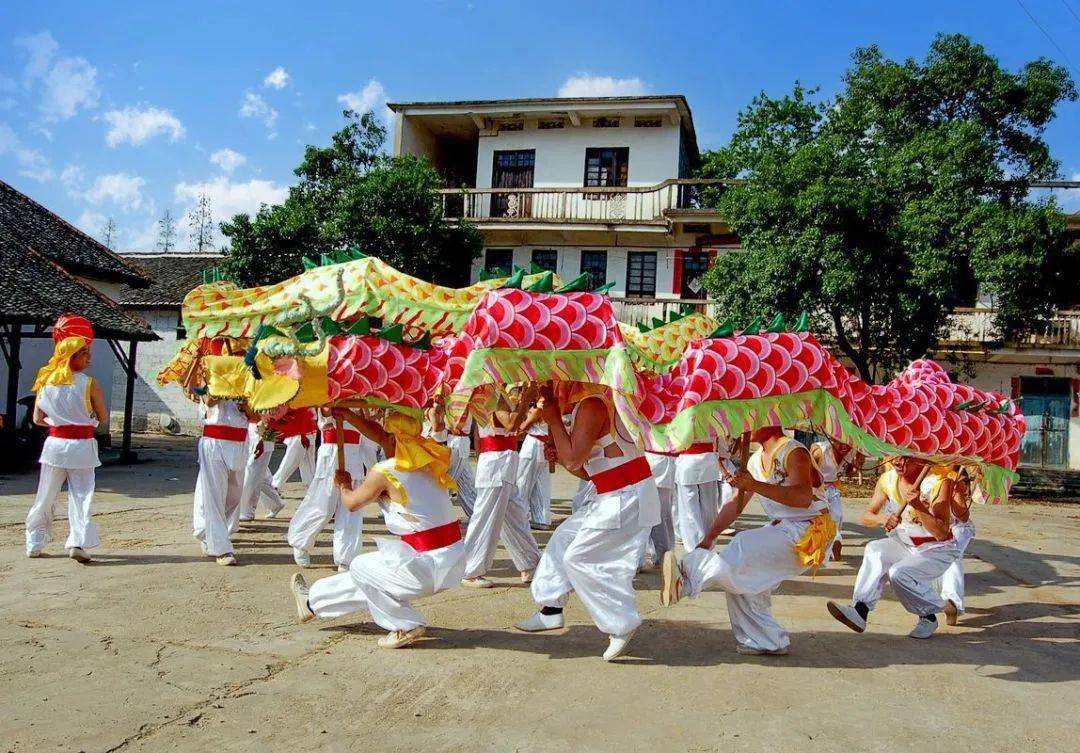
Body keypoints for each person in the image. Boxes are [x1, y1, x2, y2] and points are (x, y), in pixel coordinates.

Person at [288, 412, 465, 649]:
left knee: (361, 566)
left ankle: (405, 624)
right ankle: (312, 602)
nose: (379, 437)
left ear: (392, 439)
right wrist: (348, 414)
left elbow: (350, 504)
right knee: (371, 578)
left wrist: (343, 485)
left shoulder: (386, 471)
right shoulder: (430, 461)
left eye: (385, 434)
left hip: (427, 568)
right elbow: (382, 435)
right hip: (453, 562)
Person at [516, 384, 661, 662]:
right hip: (611, 492)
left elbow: (573, 460)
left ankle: (621, 623)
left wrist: (555, 420)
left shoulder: (593, 403)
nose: (545, 385)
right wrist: (558, 449)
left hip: (626, 496)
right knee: (562, 540)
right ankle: (550, 610)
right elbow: (586, 470)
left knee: (580, 559)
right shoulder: (588, 403)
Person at [663, 427, 835, 656]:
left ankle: (687, 579)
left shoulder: (794, 452)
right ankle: (765, 639)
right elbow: (736, 503)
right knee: (743, 584)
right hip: (784, 528)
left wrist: (753, 485)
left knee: (743, 546)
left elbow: (802, 498)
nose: (743, 425)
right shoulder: (754, 461)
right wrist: (709, 537)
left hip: (809, 532)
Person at [826, 458, 959, 639]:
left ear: (920, 457)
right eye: (895, 453)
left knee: (899, 573)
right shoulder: (887, 480)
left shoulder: (939, 482)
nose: (898, 460)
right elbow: (866, 516)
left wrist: (919, 506)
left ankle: (930, 614)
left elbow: (941, 533)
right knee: (875, 549)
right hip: (905, 543)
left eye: (905, 456)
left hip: (936, 549)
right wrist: (883, 519)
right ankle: (860, 610)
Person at [25, 315, 107, 562]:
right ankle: (77, 542)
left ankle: (34, 542)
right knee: (82, 495)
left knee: (46, 494)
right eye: (84, 353)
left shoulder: (46, 381)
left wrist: (57, 422)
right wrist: (84, 417)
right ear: (71, 357)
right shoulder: (90, 384)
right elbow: (102, 418)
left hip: (55, 446)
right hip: (81, 447)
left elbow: (37, 418)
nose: (88, 357)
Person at [460, 389, 541, 588]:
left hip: (503, 461)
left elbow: (515, 428)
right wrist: (527, 401)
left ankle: (531, 564)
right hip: (497, 462)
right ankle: (471, 570)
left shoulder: (498, 394)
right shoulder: (491, 396)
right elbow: (511, 423)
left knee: (515, 516)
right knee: (485, 518)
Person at [287, 407, 376, 570]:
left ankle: (346, 558)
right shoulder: (329, 392)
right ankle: (301, 541)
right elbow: (326, 411)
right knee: (323, 507)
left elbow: (367, 431)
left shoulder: (361, 397)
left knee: (351, 510)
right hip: (331, 455)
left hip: (354, 457)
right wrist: (339, 403)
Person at [192, 391, 254, 566]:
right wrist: (225, 387)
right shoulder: (211, 370)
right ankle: (221, 548)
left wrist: (246, 404)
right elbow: (209, 400)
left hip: (240, 441)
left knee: (234, 497)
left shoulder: (250, 373)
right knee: (214, 496)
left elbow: (255, 414)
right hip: (214, 440)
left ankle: (207, 533)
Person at [424, 399, 476, 519]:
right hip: (455, 443)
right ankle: (436, 515)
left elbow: (455, 426)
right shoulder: (452, 404)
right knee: (451, 482)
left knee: (462, 483)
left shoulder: (461, 404)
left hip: (458, 442)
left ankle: (476, 516)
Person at [810, 438, 860, 562]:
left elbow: (848, 472)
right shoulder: (819, 451)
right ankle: (820, 550)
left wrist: (855, 466)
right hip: (815, 489)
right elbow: (806, 472)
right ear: (832, 438)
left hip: (832, 489)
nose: (844, 446)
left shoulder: (852, 450)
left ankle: (835, 541)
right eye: (840, 442)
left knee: (837, 516)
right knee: (820, 519)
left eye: (848, 442)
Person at [940, 466, 974, 625]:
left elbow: (963, 516)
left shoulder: (956, 475)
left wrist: (956, 492)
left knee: (952, 552)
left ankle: (951, 601)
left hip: (958, 527)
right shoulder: (924, 476)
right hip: (934, 527)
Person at [674, 438, 723, 550]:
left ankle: (695, 550)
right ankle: (704, 548)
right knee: (708, 509)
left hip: (692, 461)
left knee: (690, 511)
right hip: (704, 460)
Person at [516, 400, 554, 531]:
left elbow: (524, 426)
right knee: (540, 482)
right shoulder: (550, 402)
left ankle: (519, 517)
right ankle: (542, 518)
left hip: (533, 443)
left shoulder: (540, 406)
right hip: (541, 443)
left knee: (522, 481)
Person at [238, 418, 285, 521]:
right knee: (259, 475)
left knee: (251, 473)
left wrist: (264, 436)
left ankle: (247, 511)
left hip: (264, 434)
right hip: (249, 432)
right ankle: (275, 503)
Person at [642, 449, 677, 570]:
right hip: (659, 460)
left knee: (657, 512)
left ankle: (663, 555)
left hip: (656, 460)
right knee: (662, 512)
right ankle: (664, 554)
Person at [272, 407, 318, 491]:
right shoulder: (298, 399)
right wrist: (303, 435)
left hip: (308, 433)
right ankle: (275, 484)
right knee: (291, 461)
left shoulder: (308, 400)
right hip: (300, 435)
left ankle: (312, 488)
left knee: (307, 463)